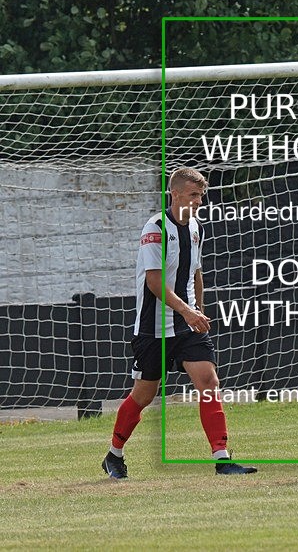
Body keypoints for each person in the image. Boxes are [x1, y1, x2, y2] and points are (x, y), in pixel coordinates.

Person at [101, 168, 256, 478]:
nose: (198, 201)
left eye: (201, 195)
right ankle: (114, 455)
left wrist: (197, 309)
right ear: (174, 194)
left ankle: (223, 459)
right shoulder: (155, 227)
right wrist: (188, 311)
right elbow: (155, 283)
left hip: (187, 327)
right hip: (153, 329)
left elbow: (196, 271)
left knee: (209, 383)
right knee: (143, 396)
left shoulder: (196, 227)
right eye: (193, 195)